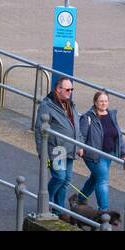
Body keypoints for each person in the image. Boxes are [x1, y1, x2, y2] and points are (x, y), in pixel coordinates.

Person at [74, 91, 124, 216]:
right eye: (101, 101)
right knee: (102, 180)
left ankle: (80, 199)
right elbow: (81, 134)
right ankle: (104, 211)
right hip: (93, 154)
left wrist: (124, 151)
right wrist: (79, 147)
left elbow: (118, 136)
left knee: (94, 178)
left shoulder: (111, 115)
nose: (103, 103)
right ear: (95, 102)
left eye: (106, 101)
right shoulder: (88, 117)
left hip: (108, 154)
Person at [35, 77, 80, 210]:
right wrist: (41, 152)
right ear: (58, 89)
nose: (70, 92)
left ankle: (58, 209)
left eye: (71, 89)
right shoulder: (47, 105)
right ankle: (44, 201)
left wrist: (79, 145)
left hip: (70, 147)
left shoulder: (70, 104)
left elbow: (76, 126)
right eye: (67, 89)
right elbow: (39, 130)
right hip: (57, 149)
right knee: (60, 177)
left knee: (66, 180)